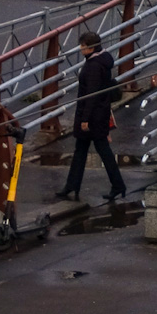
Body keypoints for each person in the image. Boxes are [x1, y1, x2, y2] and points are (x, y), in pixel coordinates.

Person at [56, 31, 126, 202]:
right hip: (98, 113)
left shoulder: (94, 66)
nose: (81, 49)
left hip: (92, 116)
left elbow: (91, 94)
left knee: (100, 151)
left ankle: (116, 185)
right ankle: (73, 185)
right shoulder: (101, 61)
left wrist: (85, 119)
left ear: (91, 47)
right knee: (83, 150)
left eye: (83, 46)